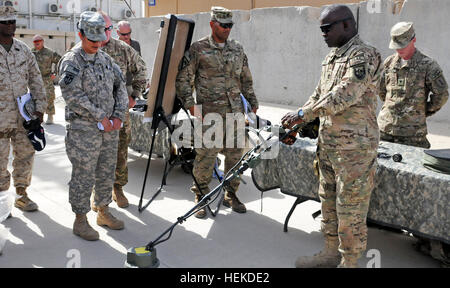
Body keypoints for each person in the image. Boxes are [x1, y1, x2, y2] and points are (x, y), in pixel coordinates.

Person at [281, 5, 382, 268]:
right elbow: (319, 94)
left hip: (355, 151)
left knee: (350, 208)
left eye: (327, 28)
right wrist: (298, 116)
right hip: (328, 145)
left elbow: (345, 94)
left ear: (346, 25)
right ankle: (330, 252)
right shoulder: (332, 58)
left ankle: (349, 262)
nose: (323, 34)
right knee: (328, 201)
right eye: (321, 29)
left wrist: (305, 112)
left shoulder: (364, 55)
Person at [176, 7, 258, 219]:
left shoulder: (238, 49)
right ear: (212, 24)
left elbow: (246, 78)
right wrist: (191, 104)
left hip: (236, 113)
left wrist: (253, 102)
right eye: (223, 25)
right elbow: (183, 78)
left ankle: (231, 194)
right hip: (210, 113)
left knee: (235, 156)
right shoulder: (198, 49)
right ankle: (201, 197)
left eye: (230, 25)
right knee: (206, 156)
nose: (227, 29)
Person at [58, 11, 128, 241]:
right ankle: (80, 219)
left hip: (109, 129)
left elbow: (121, 88)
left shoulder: (106, 59)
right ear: (80, 34)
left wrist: (118, 116)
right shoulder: (72, 61)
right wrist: (100, 116)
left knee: (106, 171)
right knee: (84, 174)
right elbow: (72, 95)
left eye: (100, 40)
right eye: (92, 40)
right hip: (84, 129)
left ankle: (103, 211)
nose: (97, 44)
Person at [96, 11, 148, 209]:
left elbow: (141, 69)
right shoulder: (85, 49)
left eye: (108, 29)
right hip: (94, 112)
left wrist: (134, 95)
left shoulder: (122, 48)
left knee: (120, 149)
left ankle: (118, 188)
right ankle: (98, 191)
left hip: (119, 110)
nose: (105, 33)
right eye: (101, 29)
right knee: (96, 151)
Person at [0, 5, 47, 213]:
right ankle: (2, 202)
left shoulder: (23, 49)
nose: (10, 25)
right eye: (5, 22)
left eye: (12, 21)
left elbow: (36, 79)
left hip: (23, 115)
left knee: (25, 154)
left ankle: (21, 194)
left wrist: (39, 109)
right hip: (1, 117)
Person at [377, 22, 448, 148]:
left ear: (413, 39)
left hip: (413, 134)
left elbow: (441, 95)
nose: (399, 49)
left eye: (402, 45)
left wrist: (423, 110)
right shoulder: (389, 63)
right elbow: (382, 91)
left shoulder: (428, 65)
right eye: (396, 46)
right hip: (385, 130)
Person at [31, 34, 62, 125]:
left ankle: (50, 116)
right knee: (35, 98)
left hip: (46, 78)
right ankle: (38, 116)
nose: (36, 43)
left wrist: (55, 73)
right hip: (34, 79)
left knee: (49, 97)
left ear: (42, 42)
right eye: (35, 42)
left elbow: (60, 61)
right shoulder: (31, 52)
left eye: (38, 41)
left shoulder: (49, 53)